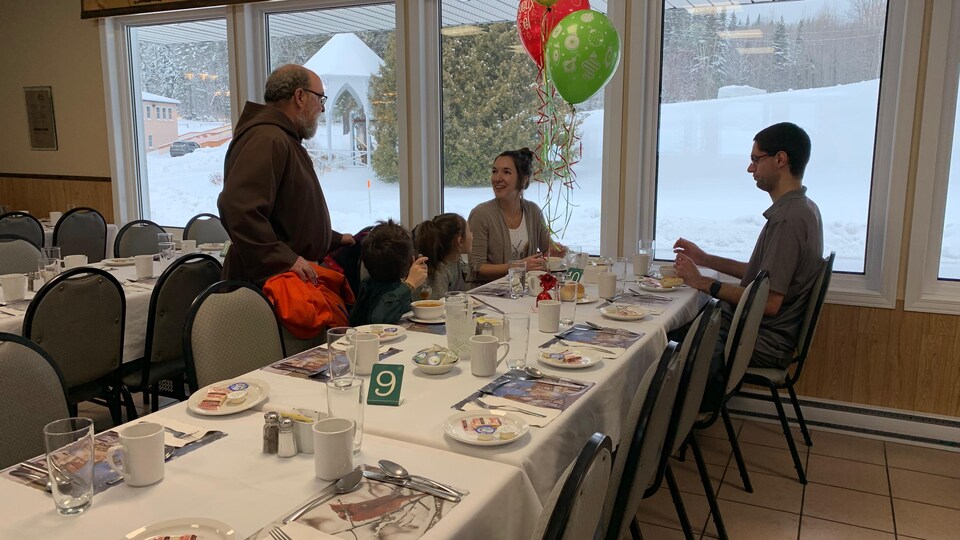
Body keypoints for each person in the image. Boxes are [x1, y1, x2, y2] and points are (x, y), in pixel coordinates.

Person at [672, 122, 824, 411]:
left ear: (780, 159)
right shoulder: (804, 208)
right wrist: (705, 260)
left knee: (663, 340)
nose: (750, 169)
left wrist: (705, 284)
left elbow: (768, 303)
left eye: (756, 159)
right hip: (758, 330)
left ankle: (664, 429)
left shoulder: (788, 220)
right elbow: (763, 275)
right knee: (680, 325)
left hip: (762, 338)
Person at [218, 64, 353, 286]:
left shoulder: (280, 138)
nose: (321, 109)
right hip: (272, 287)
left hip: (282, 281)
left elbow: (288, 214)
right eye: (320, 98)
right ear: (299, 96)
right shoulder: (268, 138)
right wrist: (285, 260)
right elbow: (238, 209)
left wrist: (333, 239)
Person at [468, 148, 561, 284]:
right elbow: (477, 267)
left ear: (523, 180)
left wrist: (555, 254)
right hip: (487, 296)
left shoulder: (533, 211)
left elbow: (546, 250)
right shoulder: (481, 214)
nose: (497, 178)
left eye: (506, 172)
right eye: (494, 171)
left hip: (526, 292)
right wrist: (518, 266)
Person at [349, 220, 428, 326]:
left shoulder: (369, 283)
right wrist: (410, 285)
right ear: (410, 261)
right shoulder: (372, 286)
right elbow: (379, 319)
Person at [412, 213, 472, 300]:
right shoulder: (438, 272)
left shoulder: (455, 262)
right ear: (460, 241)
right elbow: (436, 307)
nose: (472, 235)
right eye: (469, 230)